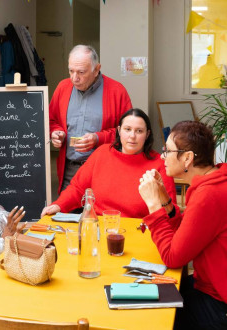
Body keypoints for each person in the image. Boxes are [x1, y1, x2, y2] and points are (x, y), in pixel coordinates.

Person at [138, 121, 227, 329]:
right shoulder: (211, 181)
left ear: (187, 158)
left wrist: (152, 205)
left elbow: (173, 257)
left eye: (167, 151)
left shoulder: (209, 195)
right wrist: (164, 200)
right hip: (206, 284)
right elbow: (185, 235)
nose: (162, 156)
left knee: (150, 318)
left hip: (217, 301)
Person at [42, 109, 176, 218]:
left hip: (140, 231)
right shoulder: (102, 153)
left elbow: (170, 209)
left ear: (147, 135)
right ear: (119, 130)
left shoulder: (160, 164)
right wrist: (59, 205)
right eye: (127, 129)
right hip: (99, 229)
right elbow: (77, 188)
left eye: (139, 131)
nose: (132, 136)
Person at [49, 44, 132, 193]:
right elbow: (51, 120)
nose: (75, 78)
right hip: (70, 170)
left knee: (100, 215)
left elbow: (128, 133)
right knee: (67, 214)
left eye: (81, 72)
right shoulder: (63, 87)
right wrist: (56, 132)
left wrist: (98, 139)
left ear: (96, 69)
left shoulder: (117, 91)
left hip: (104, 170)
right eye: (71, 71)